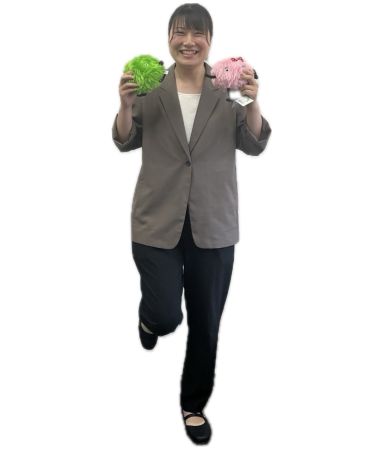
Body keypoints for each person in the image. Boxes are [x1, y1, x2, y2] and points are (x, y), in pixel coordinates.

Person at [112, 3, 271, 444]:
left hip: (213, 221)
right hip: (156, 217)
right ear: (169, 38)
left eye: (198, 34)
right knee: (167, 314)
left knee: (206, 321)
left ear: (210, 41)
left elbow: (254, 143)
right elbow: (125, 140)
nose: (188, 41)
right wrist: (124, 105)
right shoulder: (150, 87)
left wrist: (253, 101)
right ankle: (152, 320)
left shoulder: (228, 88)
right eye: (180, 32)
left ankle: (193, 404)